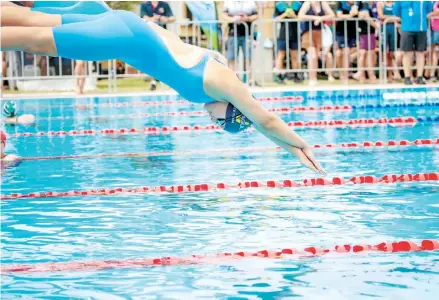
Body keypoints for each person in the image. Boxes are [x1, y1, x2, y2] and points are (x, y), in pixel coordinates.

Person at [0, 5, 326, 175]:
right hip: (125, 38)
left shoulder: (212, 73)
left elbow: (258, 123)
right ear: (230, 109)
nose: (212, 122)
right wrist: (302, 146)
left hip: (130, 28)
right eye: (220, 122)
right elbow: (264, 120)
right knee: (33, 38)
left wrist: (291, 150)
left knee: (35, 20)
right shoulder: (221, 83)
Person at [393, 1, 434, 85]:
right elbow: (396, 12)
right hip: (406, 28)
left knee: (420, 53)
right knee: (407, 53)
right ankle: (407, 77)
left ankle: (419, 77)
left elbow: (429, 9)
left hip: (421, 28)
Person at [140, 1, 175, 91]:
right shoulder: (144, 5)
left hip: (163, 36)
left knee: (165, 58)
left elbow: (172, 17)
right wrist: (153, 19)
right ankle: (153, 82)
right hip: (150, 35)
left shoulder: (164, 4)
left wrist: (166, 19)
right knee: (152, 59)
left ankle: (169, 81)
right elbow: (143, 17)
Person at [298, 1, 335, 86]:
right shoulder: (308, 3)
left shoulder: (322, 3)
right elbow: (300, 15)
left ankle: (314, 77)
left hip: (318, 32)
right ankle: (311, 78)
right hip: (308, 32)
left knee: (316, 55)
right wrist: (314, 18)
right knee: (312, 55)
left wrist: (321, 18)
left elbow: (332, 14)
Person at [223, 0, 259, 84]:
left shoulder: (251, 2)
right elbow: (224, 15)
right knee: (232, 57)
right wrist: (232, 19)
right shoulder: (228, 2)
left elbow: (256, 15)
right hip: (233, 33)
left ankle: (249, 79)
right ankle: (235, 80)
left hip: (247, 33)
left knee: (248, 57)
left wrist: (248, 18)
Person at [273, 1, 303, 84]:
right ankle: (279, 76)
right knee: (281, 54)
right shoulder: (279, 5)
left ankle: (296, 75)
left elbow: (301, 18)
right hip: (283, 34)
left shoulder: (298, 4)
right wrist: (284, 15)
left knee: (294, 55)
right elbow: (275, 19)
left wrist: (294, 16)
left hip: (294, 33)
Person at [335, 1, 360, 84]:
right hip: (341, 31)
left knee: (348, 53)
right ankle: (343, 75)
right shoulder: (341, 3)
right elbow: (339, 15)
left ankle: (345, 73)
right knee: (344, 52)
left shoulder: (358, 3)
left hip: (352, 31)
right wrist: (350, 15)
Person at [377, 1, 402, 83]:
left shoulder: (395, 4)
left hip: (393, 30)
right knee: (383, 53)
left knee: (391, 54)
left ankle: (390, 76)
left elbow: (399, 17)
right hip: (384, 29)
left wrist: (388, 18)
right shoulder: (380, 3)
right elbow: (381, 16)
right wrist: (393, 18)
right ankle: (382, 75)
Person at [357, 1, 378, 83]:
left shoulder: (367, 4)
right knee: (366, 54)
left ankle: (365, 76)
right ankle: (368, 76)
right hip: (366, 32)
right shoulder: (364, 3)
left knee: (368, 54)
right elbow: (365, 16)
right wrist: (377, 26)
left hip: (368, 32)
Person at [426, 1, 439, 81]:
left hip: (437, 28)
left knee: (435, 53)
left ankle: (432, 73)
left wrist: (429, 15)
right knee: (430, 52)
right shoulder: (429, 2)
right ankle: (429, 73)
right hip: (430, 28)